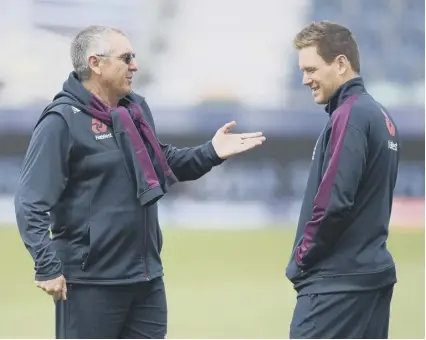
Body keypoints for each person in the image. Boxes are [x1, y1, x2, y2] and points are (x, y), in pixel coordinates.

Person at [14, 25, 265, 339]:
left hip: (146, 280)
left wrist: (211, 152)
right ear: (95, 63)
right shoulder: (61, 121)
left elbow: (160, 162)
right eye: (126, 58)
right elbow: (30, 202)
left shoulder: (134, 110)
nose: (135, 65)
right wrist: (47, 265)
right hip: (91, 283)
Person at [285, 21, 400, 339]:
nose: (305, 79)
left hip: (336, 288)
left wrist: (300, 257)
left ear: (340, 63)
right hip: (369, 281)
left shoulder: (349, 115)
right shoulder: (381, 116)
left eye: (311, 69)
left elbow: (333, 200)